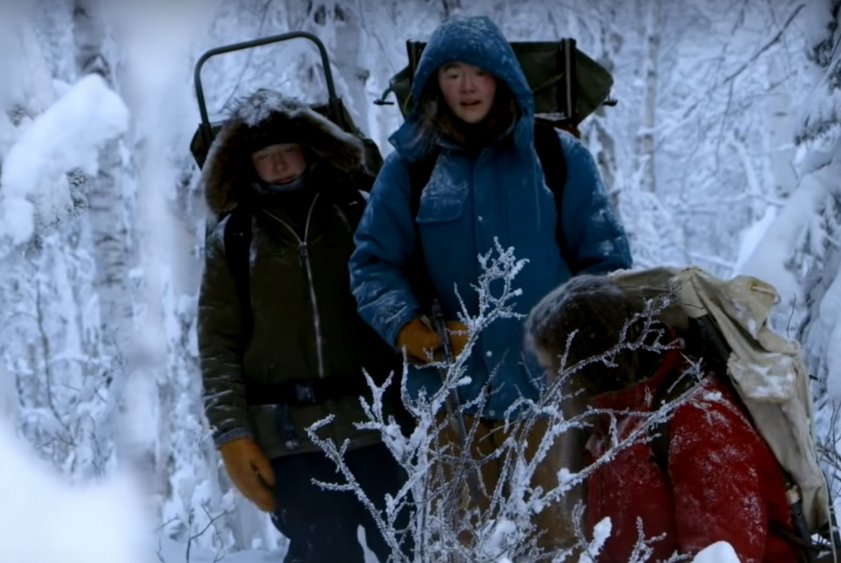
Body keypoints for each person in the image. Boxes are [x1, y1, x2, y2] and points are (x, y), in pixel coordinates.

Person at [349, 14, 632, 552]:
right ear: (434, 82)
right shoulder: (412, 167)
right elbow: (372, 263)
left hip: (549, 400)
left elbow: (607, 263)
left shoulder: (555, 156)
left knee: (559, 544)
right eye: (452, 72)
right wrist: (407, 326)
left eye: (479, 71)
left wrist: (575, 351)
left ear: (503, 75)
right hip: (451, 403)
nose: (467, 86)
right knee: (461, 548)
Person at [197, 89, 407, 563]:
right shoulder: (234, 238)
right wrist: (231, 433)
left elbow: (405, 291)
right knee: (323, 553)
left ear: (309, 149)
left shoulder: (358, 211)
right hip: (291, 439)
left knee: (408, 549)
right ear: (246, 166)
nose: (277, 165)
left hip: (381, 428)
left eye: (286, 151)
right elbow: (217, 345)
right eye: (264, 157)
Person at [524, 274, 802, 563]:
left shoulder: (699, 418)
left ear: (590, 361)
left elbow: (723, 554)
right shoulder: (612, 418)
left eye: (555, 368)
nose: (551, 381)